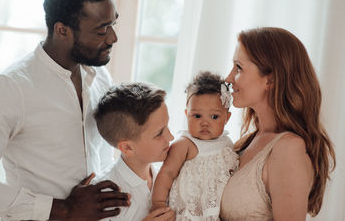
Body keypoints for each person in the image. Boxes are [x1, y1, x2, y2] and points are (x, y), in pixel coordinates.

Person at [0, 0, 130, 221]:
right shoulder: (12, 88)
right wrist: (63, 209)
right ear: (62, 30)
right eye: (101, 31)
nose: (113, 38)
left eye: (113, 24)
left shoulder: (100, 77)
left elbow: (103, 157)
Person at [220, 27, 336, 221]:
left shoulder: (288, 149)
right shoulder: (248, 141)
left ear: (271, 79)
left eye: (238, 67)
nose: (228, 78)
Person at [151, 71, 239, 220]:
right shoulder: (184, 144)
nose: (205, 122)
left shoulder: (227, 144)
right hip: (188, 211)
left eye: (214, 117)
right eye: (197, 116)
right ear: (187, 114)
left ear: (227, 118)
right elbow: (167, 173)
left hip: (214, 212)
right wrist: (158, 203)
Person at [94, 82, 175, 221]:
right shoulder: (104, 198)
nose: (171, 137)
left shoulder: (170, 173)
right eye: (159, 133)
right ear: (127, 148)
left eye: (167, 126)